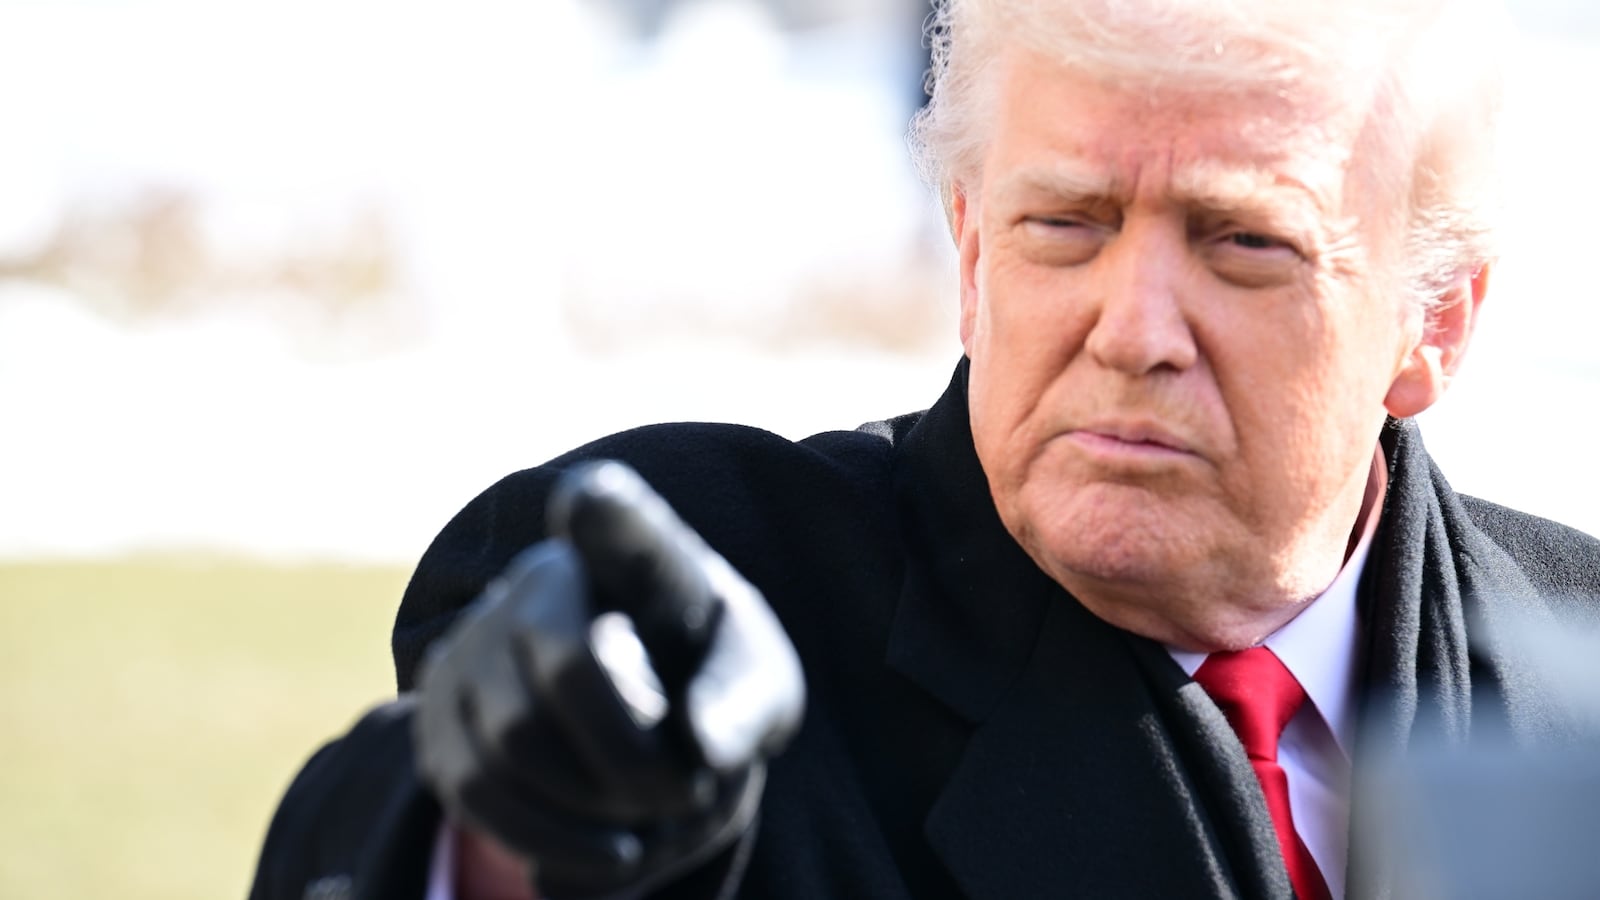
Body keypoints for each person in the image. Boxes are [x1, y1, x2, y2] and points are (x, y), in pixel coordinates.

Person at [250, 0, 1600, 898]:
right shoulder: (697, 590)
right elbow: (407, 826)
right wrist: (506, 843)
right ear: (968, 253)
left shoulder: (1578, 668)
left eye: (1241, 242)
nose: (1132, 330)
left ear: (1434, 322)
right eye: (1065, 224)